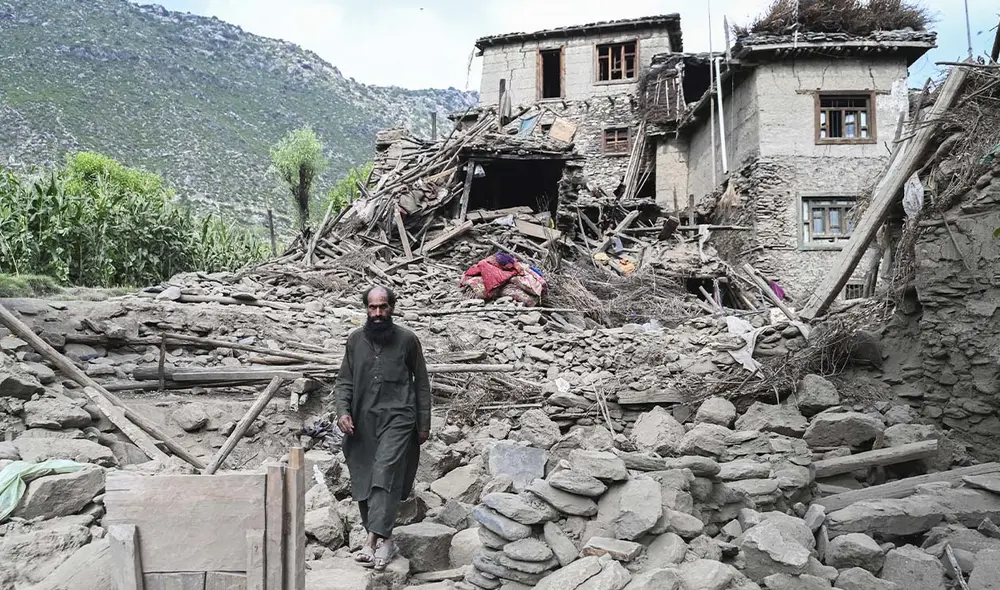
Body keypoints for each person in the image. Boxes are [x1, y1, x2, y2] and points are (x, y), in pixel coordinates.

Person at [334, 285, 431, 571]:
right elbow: (344, 381)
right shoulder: (355, 341)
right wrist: (342, 412)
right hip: (363, 421)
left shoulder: (407, 340)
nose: (378, 313)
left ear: (392, 307)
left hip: (399, 418)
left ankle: (370, 542)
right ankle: (387, 541)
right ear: (366, 309)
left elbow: (421, 383)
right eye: (372, 307)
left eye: (383, 307)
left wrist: (423, 423)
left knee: (385, 472)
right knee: (365, 477)